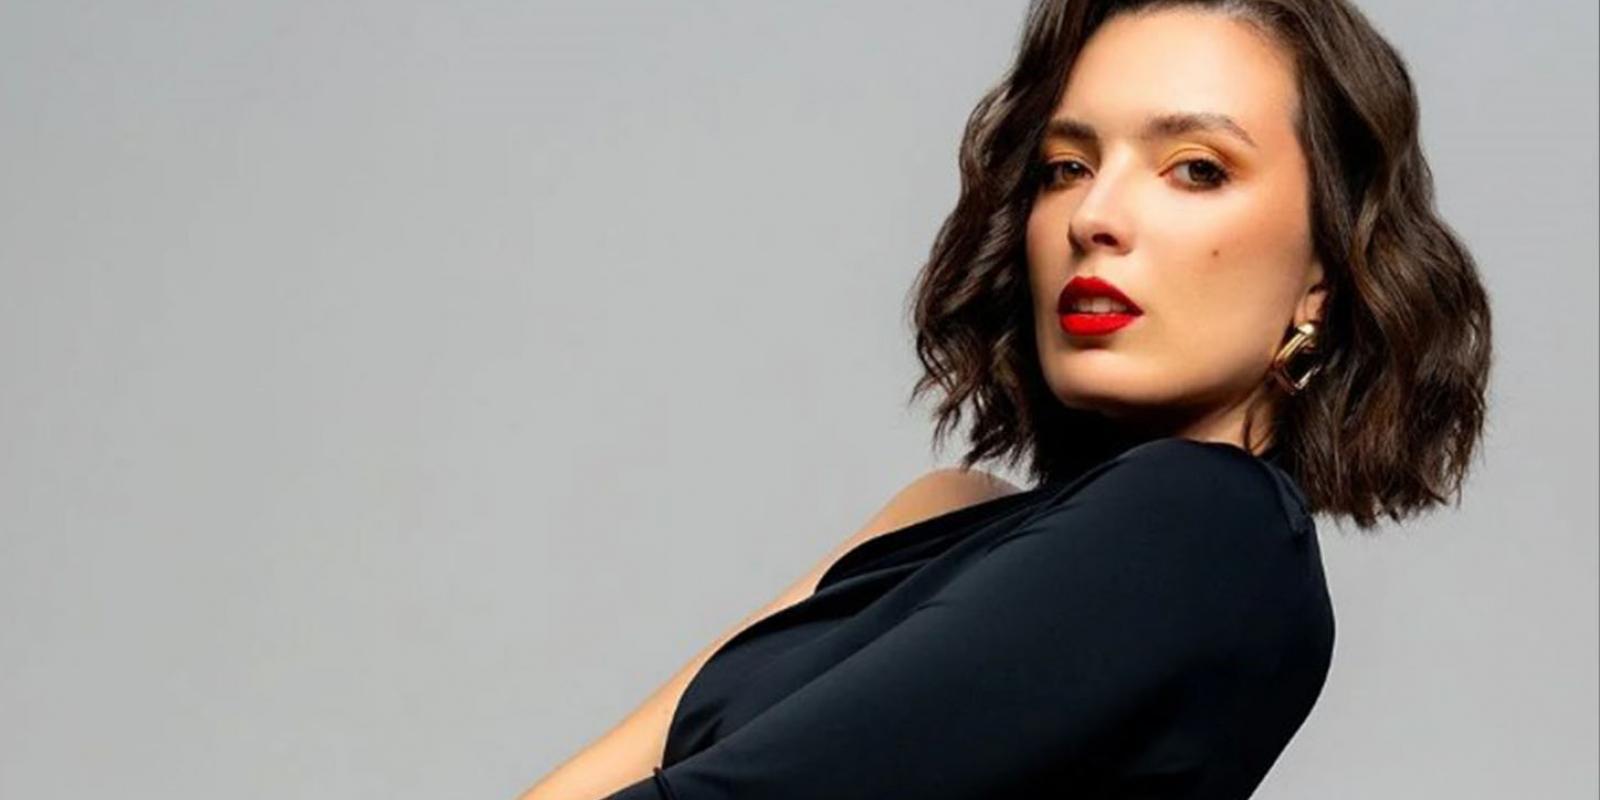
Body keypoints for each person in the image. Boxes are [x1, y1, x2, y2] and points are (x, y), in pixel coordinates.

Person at [520, 0, 1492, 797]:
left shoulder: (1208, 519)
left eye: (1195, 168)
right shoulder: (940, 512)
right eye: (1067, 167)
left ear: (1324, 273)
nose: (1094, 217)